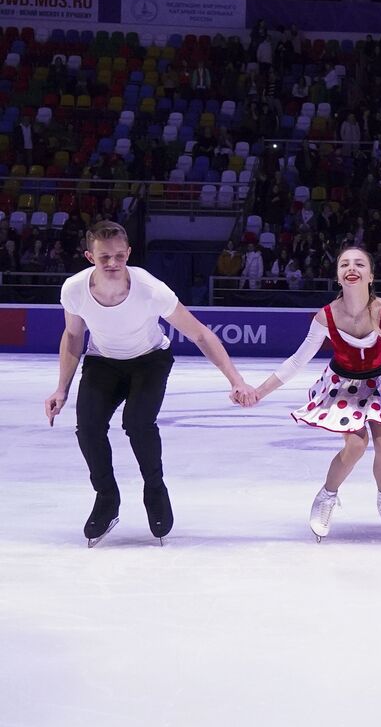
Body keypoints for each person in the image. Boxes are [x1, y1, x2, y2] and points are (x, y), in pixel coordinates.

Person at [45, 221, 258, 547]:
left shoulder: (151, 289)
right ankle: (106, 497)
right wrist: (62, 388)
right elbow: (73, 336)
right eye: (104, 257)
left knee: (137, 423)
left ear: (129, 253)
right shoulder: (74, 290)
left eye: (119, 256)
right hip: (102, 362)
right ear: (90, 257)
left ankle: (155, 490)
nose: (113, 263)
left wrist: (236, 379)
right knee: (87, 427)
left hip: (150, 362)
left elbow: (199, 333)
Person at [248, 245, 381, 542]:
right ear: (338, 276)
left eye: (359, 264)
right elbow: (297, 361)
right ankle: (327, 496)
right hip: (343, 386)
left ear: (371, 276)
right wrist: (259, 392)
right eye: (344, 264)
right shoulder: (326, 316)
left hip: (380, 384)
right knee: (356, 445)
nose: (351, 268)